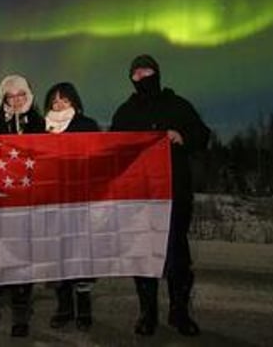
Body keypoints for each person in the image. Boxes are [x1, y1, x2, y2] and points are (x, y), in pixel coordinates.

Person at [110, 54, 210, 337]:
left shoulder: (178, 105)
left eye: (146, 71)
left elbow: (203, 135)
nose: (142, 77)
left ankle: (179, 312)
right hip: (139, 196)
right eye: (136, 74)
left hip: (174, 192)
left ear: (157, 72)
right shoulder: (125, 112)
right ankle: (147, 313)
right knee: (143, 254)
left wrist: (183, 137)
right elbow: (114, 149)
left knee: (178, 254)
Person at [0, 74, 45, 339]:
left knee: (21, 259)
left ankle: (20, 312)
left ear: (28, 97)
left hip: (25, 204)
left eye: (21, 95)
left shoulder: (38, 125)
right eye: (10, 96)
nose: (16, 100)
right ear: (3, 98)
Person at [42, 82, 100, 331]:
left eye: (64, 100)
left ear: (74, 101)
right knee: (58, 253)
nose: (59, 105)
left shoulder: (86, 125)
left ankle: (84, 308)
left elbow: (99, 159)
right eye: (54, 101)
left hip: (81, 200)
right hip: (52, 200)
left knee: (81, 254)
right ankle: (63, 307)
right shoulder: (42, 128)